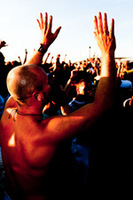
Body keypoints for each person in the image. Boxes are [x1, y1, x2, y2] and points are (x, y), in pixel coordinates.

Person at [0, 12, 116, 200]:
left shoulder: (10, 110)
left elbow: (23, 76)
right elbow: (104, 104)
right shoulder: (46, 131)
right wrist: (107, 53)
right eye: (47, 82)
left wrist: (43, 46)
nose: (51, 82)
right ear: (38, 96)